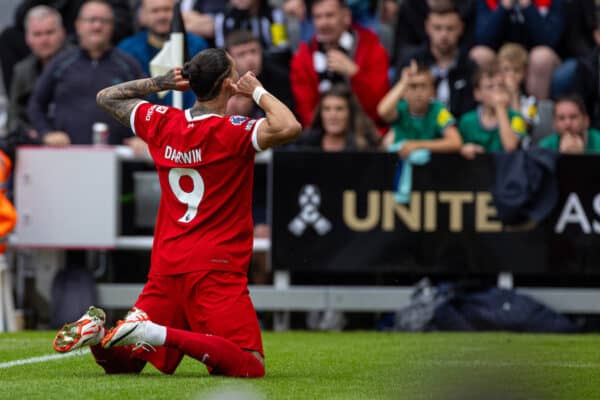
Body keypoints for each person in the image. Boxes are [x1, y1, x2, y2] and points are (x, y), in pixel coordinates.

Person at [52, 48, 301, 378]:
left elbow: (106, 97)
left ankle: (99, 336)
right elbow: (289, 125)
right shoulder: (232, 132)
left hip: (167, 263)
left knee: (127, 364)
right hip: (215, 266)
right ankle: (156, 332)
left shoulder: (162, 121)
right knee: (248, 361)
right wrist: (255, 89)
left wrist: (160, 83)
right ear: (229, 84)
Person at [27, 0, 144, 147]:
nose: (97, 26)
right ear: (78, 25)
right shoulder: (61, 63)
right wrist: (46, 133)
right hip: (69, 157)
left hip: (119, 159)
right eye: (91, 20)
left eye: (104, 21)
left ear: (112, 26)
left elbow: (149, 106)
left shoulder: (128, 65)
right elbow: (36, 104)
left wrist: (142, 136)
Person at [290, 0, 389, 132]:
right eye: (318, 17)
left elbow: (379, 110)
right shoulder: (302, 57)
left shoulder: (372, 48)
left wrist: (355, 74)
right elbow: (306, 113)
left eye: (329, 15)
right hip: (322, 137)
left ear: (346, 17)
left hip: (365, 133)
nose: (323, 23)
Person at [118, 0, 208, 109]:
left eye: (167, 9)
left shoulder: (197, 45)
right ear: (143, 16)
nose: (161, 16)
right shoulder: (128, 48)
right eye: (155, 11)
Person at [398, 3, 477, 119]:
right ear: (427, 27)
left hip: (460, 132)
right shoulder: (411, 62)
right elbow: (396, 106)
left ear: (461, 28)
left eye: (450, 28)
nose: (443, 35)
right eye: (437, 28)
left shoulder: (470, 67)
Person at [377, 61, 462, 158]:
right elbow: (382, 111)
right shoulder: (400, 109)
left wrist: (416, 145)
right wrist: (404, 82)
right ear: (404, 92)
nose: (419, 92)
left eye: (423, 86)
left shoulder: (439, 111)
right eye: (413, 86)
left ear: (433, 92)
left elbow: (456, 142)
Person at [7, 5, 67, 134]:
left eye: (49, 32)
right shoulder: (22, 70)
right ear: (27, 38)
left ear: (62, 33)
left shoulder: (78, 62)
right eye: (37, 34)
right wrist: (28, 132)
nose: (44, 40)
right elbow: (14, 117)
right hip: (35, 143)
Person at [458, 63, 528, 159]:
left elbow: (510, 147)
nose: (497, 91)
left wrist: (500, 108)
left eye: (501, 86)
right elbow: (458, 149)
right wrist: (465, 149)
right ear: (477, 93)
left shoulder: (517, 118)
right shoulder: (466, 121)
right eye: (490, 87)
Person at [225, 30, 294, 118]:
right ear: (230, 58)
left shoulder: (280, 78)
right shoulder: (225, 83)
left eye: (253, 51)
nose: (250, 59)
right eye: (241, 54)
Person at [296, 83, 380, 151]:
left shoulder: (366, 146)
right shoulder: (305, 143)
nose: (332, 115)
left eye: (339, 109)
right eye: (327, 109)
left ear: (350, 113)